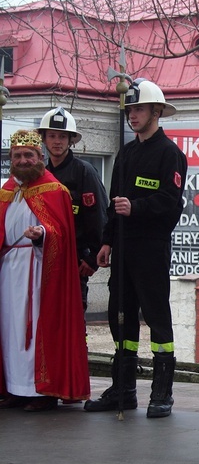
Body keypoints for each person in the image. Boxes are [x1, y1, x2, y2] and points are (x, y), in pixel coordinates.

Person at [84, 79, 187, 418]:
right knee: (119, 316)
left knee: (156, 318)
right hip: (124, 248)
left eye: (138, 109)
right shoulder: (127, 153)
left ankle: (162, 392)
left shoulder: (169, 154)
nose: (132, 115)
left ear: (156, 111)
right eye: (129, 110)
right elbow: (115, 203)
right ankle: (123, 389)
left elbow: (170, 203)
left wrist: (138, 208)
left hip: (151, 248)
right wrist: (107, 241)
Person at [0, 129, 90, 412]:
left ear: (40, 157)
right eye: (18, 155)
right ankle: (14, 388)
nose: (23, 160)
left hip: (38, 272)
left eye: (29, 155)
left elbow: (62, 235)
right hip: (8, 270)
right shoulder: (6, 191)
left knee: (35, 329)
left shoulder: (54, 191)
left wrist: (42, 234)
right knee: (9, 330)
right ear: (11, 159)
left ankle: (41, 391)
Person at [38, 107, 107, 313]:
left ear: (70, 140)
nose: (57, 141)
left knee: (74, 317)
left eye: (62, 136)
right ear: (44, 139)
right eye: (52, 136)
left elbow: (99, 216)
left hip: (77, 262)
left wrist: (92, 258)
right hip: (46, 260)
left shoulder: (84, 172)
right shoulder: (41, 175)